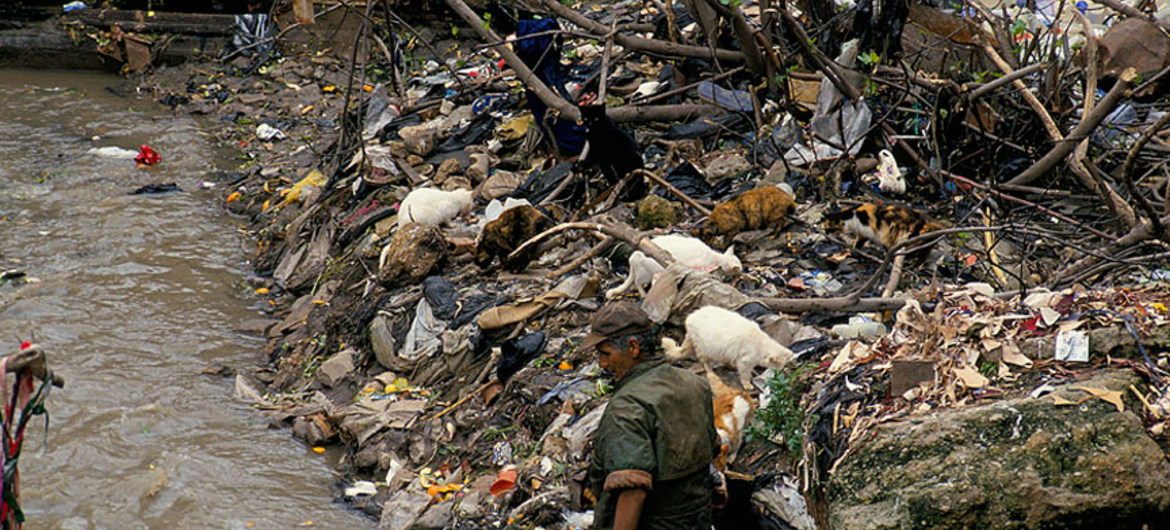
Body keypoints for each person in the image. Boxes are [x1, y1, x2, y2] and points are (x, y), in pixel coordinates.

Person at [581, 301, 718, 530]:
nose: (602, 364)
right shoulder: (695, 384)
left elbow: (632, 488)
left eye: (605, 354)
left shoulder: (627, 407)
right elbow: (710, 452)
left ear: (633, 347)